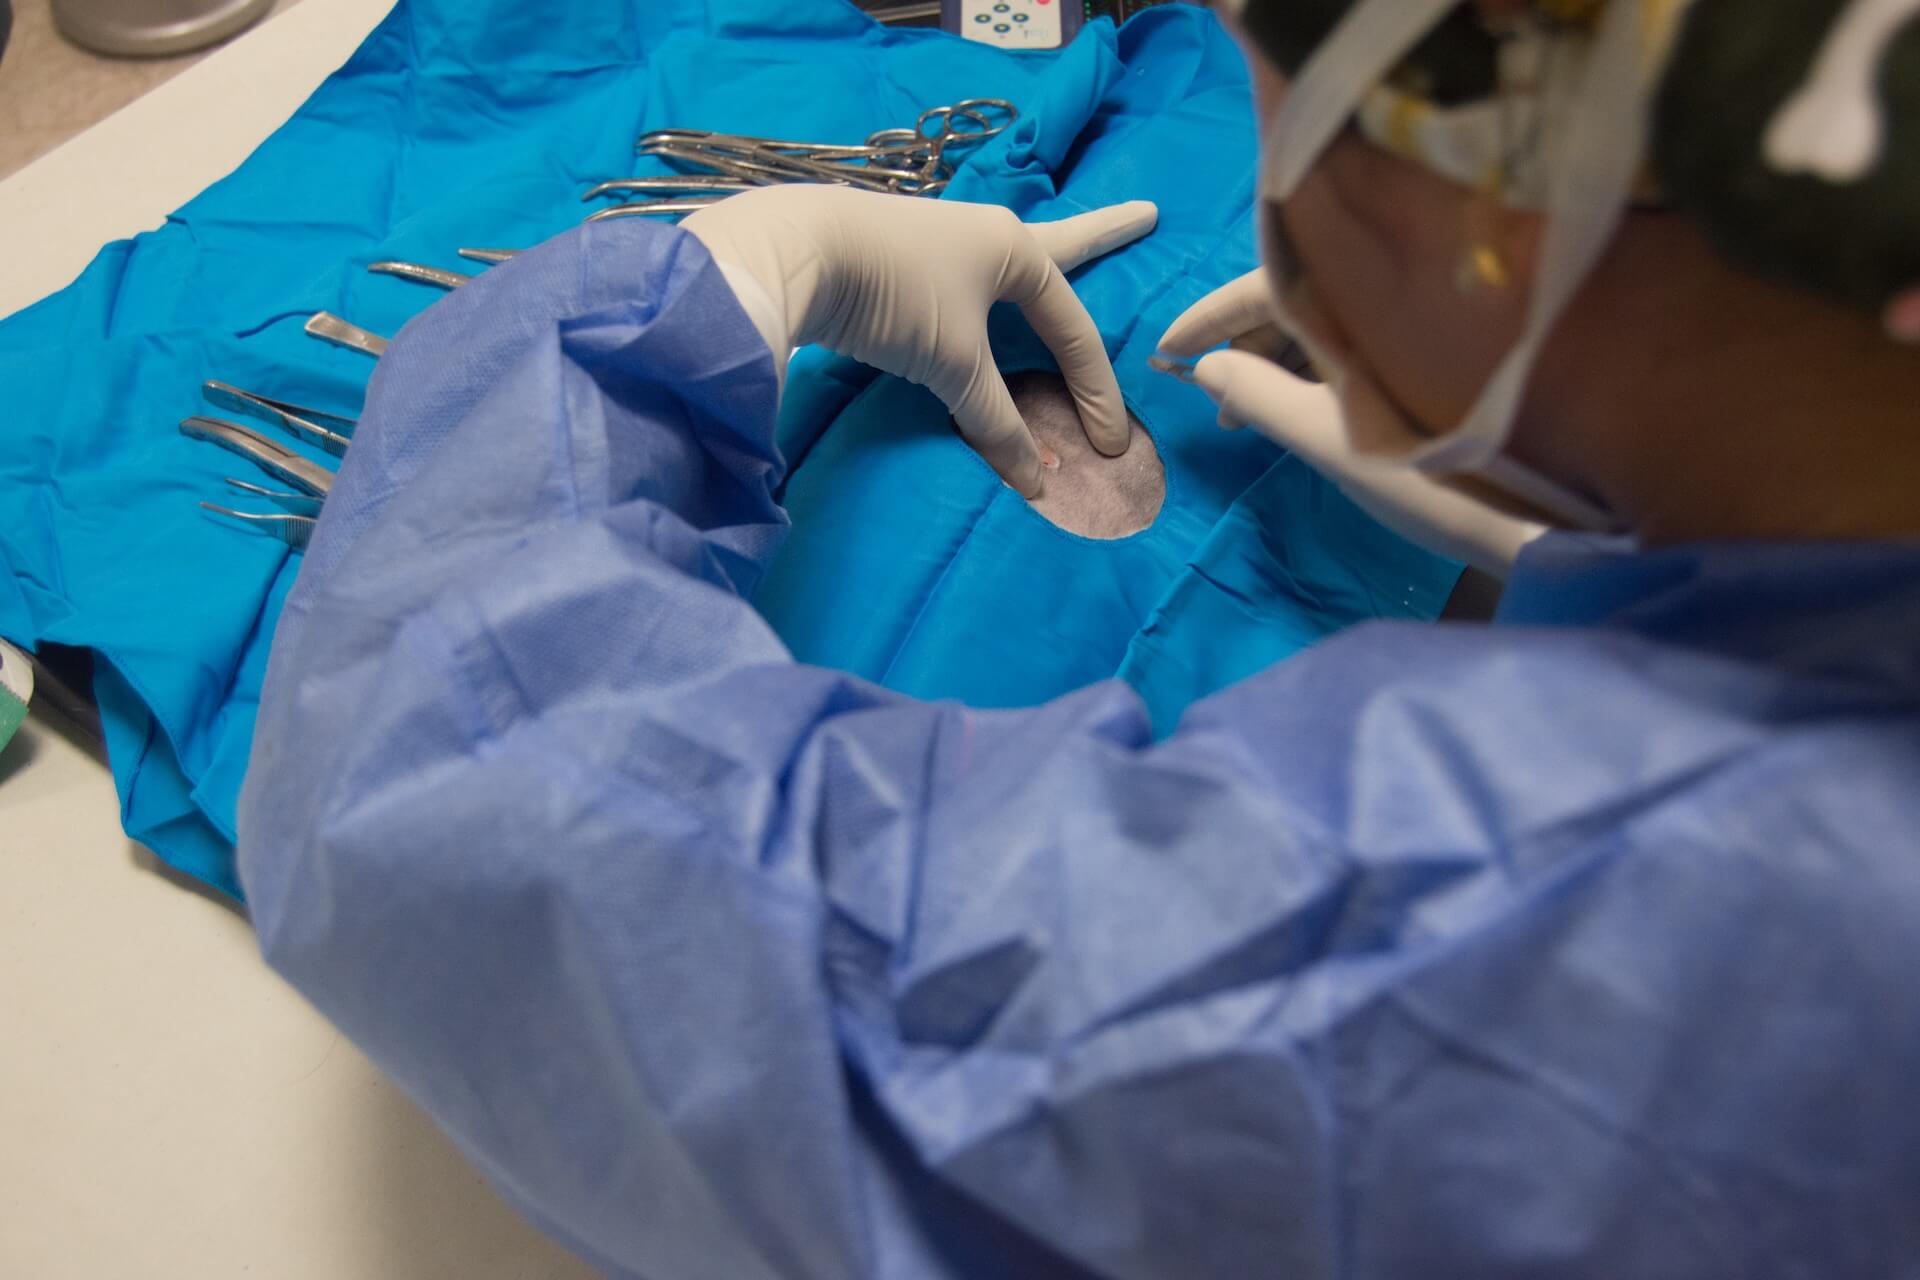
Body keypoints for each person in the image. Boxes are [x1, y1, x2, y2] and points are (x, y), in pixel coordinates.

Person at [238, 0, 1920, 1275]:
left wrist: (719, 279)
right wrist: (1657, 502)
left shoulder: (1507, 914)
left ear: (1492, 204)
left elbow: (468, 800)